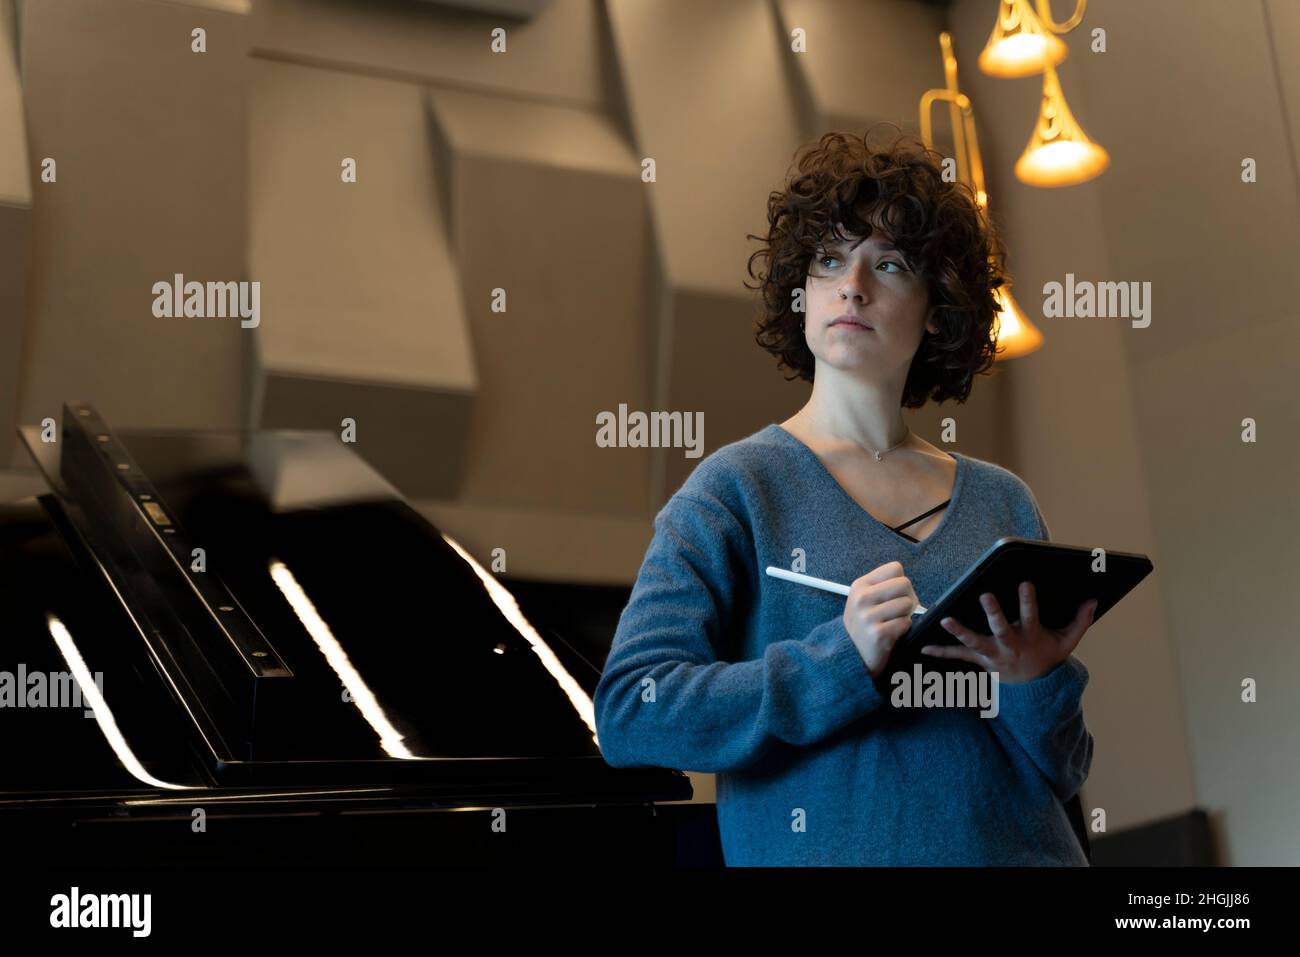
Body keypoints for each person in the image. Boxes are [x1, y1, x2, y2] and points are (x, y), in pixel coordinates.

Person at [592, 126, 1097, 866]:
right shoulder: (735, 490)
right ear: (801, 293)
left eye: (889, 264)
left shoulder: (1003, 502)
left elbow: (1067, 769)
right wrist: (838, 661)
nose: (853, 284)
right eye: (829, 260)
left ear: (937, 308)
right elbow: (632, 712)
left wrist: (1034, 682)